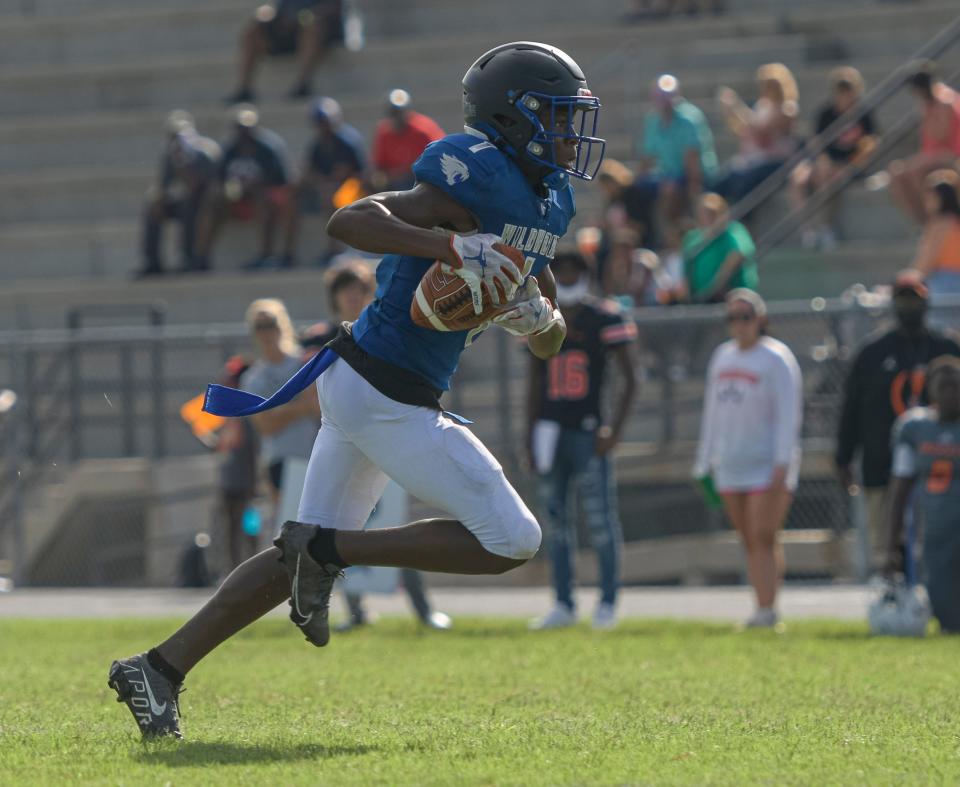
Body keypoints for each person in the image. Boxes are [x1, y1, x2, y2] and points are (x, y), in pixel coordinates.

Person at [108, 40, 605, 739]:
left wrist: (536, 316)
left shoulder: (548, 201)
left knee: (292, 558)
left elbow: (552, 341)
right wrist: (450, 247)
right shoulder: (472, 176)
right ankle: (336, 550)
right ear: (512, 118)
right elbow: (350, 221)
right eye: (554, 117)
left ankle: (156, 668)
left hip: (371, 384)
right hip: (383, 390)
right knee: (513, 539)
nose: (567, 134)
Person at [299, 262, 452, 631]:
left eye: (361, 288)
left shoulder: (387, 333)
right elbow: (309, 397)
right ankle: (351, 609)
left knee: (398, 526)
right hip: (342, 443)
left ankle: (421, 608)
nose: (355, 295)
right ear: (334, 297)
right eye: (347, 289)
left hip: (388, 444)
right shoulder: (320, 339)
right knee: (338, 527)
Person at [527, 251, 638, 630]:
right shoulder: (542, 315)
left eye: (575, 270)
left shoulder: (603, 315)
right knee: (555, 522)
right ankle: (563, 602)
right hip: (550, 431)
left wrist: (615, 429)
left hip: (588, 430)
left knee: (600, 520)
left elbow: (631, 378)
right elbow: (534, 381)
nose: (569, 276)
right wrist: (529, 433)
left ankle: (607, 601)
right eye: (564, 270)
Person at [836, 271, 960, 576]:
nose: (909, 307)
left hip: (938, 469)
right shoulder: (872, 352)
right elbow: (851, 407)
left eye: (914, 300)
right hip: (883, 466)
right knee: (886, 546)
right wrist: (843, 456)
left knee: (938, 544)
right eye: (902, 300)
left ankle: (939, 601)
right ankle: (894, 605)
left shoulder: (946, 349)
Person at [694, 290, 802, 628]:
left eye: (745, 317)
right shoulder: (722, 357)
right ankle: (760, 608)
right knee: (747, 538)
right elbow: (711, 412)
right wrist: (704, 460)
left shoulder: (776, 358)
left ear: (760, 319)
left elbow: (789, 414)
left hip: (766, 463)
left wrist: (783, 462)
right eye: (732, 318)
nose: (739, 325)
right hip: (731, 463)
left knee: (764, 535)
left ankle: (769, 609)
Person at [887, 355, 960, 633]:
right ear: (931, 390)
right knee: (947, 614)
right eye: (945, 386)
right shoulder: (915, 428)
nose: (952, 393)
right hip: (936, 531)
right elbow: (899, 488)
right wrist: (890, 545)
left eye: (957, 386)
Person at [194, 105, 295, 271]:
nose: (244, 134)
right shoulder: (229, 150)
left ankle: (266, 255)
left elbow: (282, 180)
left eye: (247, 129)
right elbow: (220, 180)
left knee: (260, 197)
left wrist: (254, 187)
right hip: (239, 198)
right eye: (240, 129)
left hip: (266, 200)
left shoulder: (269, 149)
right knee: (213, 200)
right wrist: (232, 189)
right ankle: (201, 256)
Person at [240, 299, 320, 505]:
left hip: (314, 457)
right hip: (280, 461)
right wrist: (301, 406)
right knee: (290, 527)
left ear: (282, 324)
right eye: (260, 327)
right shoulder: (253, 378)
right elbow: (265, 426)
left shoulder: (304, 363)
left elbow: (317, 407)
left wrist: (278, 411)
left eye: (271, 324)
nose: (266, 333)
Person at [790, 66, 878, 251]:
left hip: (850, 165)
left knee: (827, 178)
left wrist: (850, 165)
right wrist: (823, 160)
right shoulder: (826, 114)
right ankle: (808, 231)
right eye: (841, 93)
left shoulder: (864, 114)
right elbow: (816, 143)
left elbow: (870, 144)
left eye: (849, 93)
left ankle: (825, 228)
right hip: (826, 163)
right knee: (799, 178)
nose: (845, 98)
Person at [282, 97, 367, 265]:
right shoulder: (317, 145)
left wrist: (337, 183)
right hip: (324, 189)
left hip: (354, 190)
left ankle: (334, 250)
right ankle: (288, 254)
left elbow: (363, 175)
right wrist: (317, 182)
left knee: (333, 196)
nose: (324, 126)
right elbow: (310, 171)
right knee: (292, 197)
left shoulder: (349, 142)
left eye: (325, 122)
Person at [635, 74, 717, 243]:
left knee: (670, 189)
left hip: (696, 175)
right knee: (636, 190)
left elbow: (692, 161)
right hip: (669, 175)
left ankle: (669, 238)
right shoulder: (653, 120)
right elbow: (647, 157)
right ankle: (648, 236)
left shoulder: (689, 119)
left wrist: (695, 191)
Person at [139, 111, 221, 276]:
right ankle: (152, 261)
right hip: (188, 201)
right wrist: (158, 200)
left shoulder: (206, 152)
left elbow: (202, 187)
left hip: (208, 203)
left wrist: (184, 164)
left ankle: (189, 257)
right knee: (152, 205)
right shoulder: (171, 157)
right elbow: (164, 187)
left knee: (190, 205)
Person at [226, 0, 343, 104]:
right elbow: (276, 8)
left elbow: (333, 7)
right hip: (290, 30)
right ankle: (244, 89)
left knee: (311, 24)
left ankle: (303, 84)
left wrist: (302, 17)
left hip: (321, 30)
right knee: (253, 30)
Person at [715, 63, 799, 207]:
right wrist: (729, 112)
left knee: (743, 188)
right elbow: (745, 131)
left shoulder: (787, 108)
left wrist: (736, 106)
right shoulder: (762, 106)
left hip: (774, 161)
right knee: (719, 183)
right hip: (753, 160)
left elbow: (761, 131)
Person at [888, 60, 960, 225]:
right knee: (896, 174)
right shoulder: (927, 105)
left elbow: (941, 135)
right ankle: (922, 222)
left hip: (952, 155)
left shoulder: (944, 101)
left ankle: (934, 219)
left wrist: (928, 113)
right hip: (934, 156)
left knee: (914, 170)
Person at [213, 356, 261, 569]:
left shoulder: (247, 411)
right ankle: (232, 570)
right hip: (231, 481)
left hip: (248, 483)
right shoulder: (230, 412)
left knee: (250, 526)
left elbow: (239, 441)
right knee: (231, 529)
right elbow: (224, 445)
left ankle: (252, 566)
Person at [681, 192, 758, 303]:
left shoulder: (733, 231)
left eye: (712, 212)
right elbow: (686, 266)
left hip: (731, 298)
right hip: (700, 300)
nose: (707, 217)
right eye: (703, 212)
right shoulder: (692, 237)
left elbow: (737, 255)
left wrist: (714, 289)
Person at [370, 89, 444, 192]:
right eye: (393, 113)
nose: (397, 117)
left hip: (421, 180)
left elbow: (440, 156)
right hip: (395, 183)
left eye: (399, 112)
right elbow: (379, 166)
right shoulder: (384, 132)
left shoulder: (423, 130)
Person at [910, 169, 960, 300]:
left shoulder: (939, 225)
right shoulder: (954, 222)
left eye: (929, 198)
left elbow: (925, 264)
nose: (926, 203)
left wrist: (906, 280)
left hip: (945, 284)